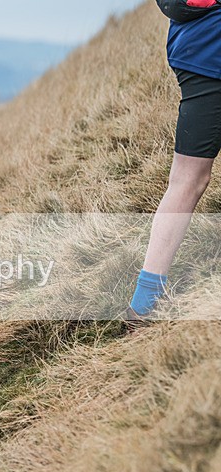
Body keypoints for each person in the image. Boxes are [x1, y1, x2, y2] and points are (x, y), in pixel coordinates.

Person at [127, 5, 221, 323]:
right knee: (188, 180)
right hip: (213, 46)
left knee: (185, 181)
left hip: (194, 51)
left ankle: (143, 305)